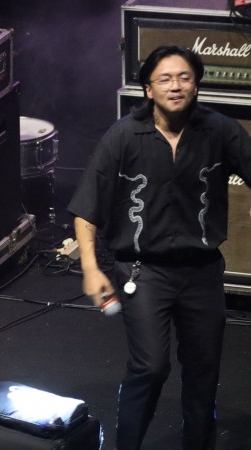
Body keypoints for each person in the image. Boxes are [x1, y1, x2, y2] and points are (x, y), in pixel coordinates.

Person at [68, 45, 251, 449]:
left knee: (203, 370)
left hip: (202, 270)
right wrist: (91, 268)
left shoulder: (220, 131)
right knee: (150, 367)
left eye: (184, 77)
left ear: (196, 84)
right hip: (144, 271)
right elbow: (86, 208)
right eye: (165, 79)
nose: (176, 86)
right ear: (148, 89)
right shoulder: (124, 135)